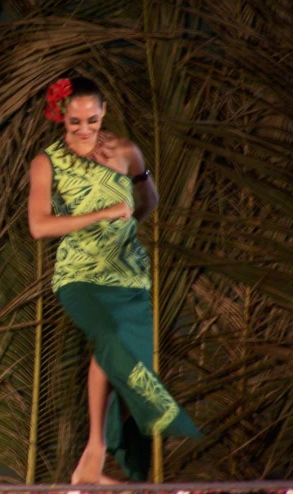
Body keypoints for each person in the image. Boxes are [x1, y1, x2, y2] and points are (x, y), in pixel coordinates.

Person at [27, 77, 201, 484]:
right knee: (109, 333)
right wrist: (101, 216)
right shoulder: (47, 162)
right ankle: (94, 450)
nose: (84, 128)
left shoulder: (125, 151)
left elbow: (147, 201)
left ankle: (107, 467)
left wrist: (125, 230)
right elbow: (39, 225)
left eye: (91, 119)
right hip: (79, 276)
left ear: (103, 111)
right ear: (60, 117)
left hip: (128, 277)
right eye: (74, 122)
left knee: (124, 353)